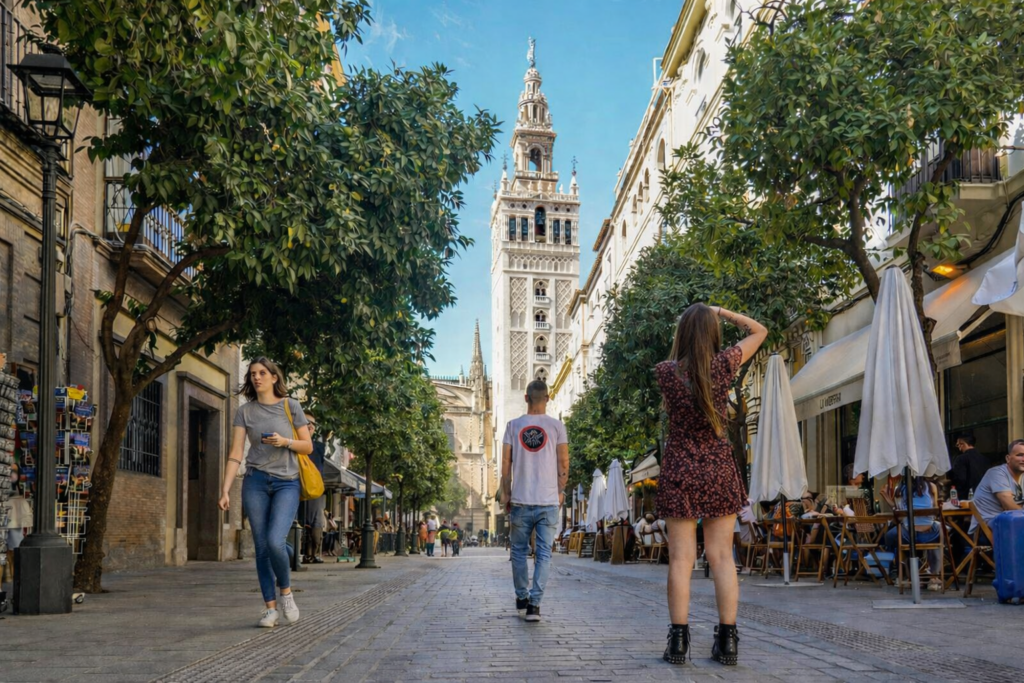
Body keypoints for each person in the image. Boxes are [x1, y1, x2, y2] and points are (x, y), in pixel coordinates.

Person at [655, 304, 767, 666]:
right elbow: (760, 332)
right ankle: (728, 642)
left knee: (681, 559)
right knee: (722, 558)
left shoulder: (666, 373)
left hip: (680, 466)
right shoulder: (724, 365)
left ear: (682, 334)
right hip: (717, 466)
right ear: (712, 332)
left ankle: (677, 643)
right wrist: (723, 312)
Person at [219, 357, 313, 628]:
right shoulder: (245, 412)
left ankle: (286, 592)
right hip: (255, 482)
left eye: (262, 373)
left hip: (287, 482)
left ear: (274, 377)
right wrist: (225, 489)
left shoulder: (291, 406)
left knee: (274, 541)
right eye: (252, 374)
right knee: (262, 547)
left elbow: (307, 446)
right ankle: (270, 608)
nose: (256, 377)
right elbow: (236, 453)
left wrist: (285, 442)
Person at [500, 378, 570, 623]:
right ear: (547, 399)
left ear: (526, 398)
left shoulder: (513, 426)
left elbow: (506, 464)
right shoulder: (557, 427)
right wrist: (560, 490)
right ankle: (534, 606)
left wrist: (505, 492)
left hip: (520, 499)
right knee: (543, 554)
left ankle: (522, 597)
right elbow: (563, 463)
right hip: (548, 501)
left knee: (518, 552)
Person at [881, 477, 943, 592]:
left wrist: (888, 500)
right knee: (940, 533)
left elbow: (899, 516)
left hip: (908, 536)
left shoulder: (900, 489)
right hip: (930, 534)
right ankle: (933, 576)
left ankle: (907, 576)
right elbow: (935, 510)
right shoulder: (931, 487)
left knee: (894, 537)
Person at [970, 439, 1024, 532]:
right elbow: (1009, 506)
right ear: (1008, 458)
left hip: (1012, 525)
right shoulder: (996, 473)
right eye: (1020, 455)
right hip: (989, 528)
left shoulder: (1022, 477)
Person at [303, 415, 327, 564]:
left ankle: (313, 553)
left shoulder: (319, 447)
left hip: (314, 488)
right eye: (307, 423)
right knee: (300, 522)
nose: (311, 426)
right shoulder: (292, 442)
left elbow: (320, 469)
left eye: (313, 424)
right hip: (296, 486)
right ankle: (302, 554)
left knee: (316, 523)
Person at [949, 434, 989, 499]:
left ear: (962, 444)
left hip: (967, 496)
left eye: (958, 445)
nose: (959, 448)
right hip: (984, 496)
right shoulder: (984, 458)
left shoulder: (961, 458)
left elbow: (960, 479)